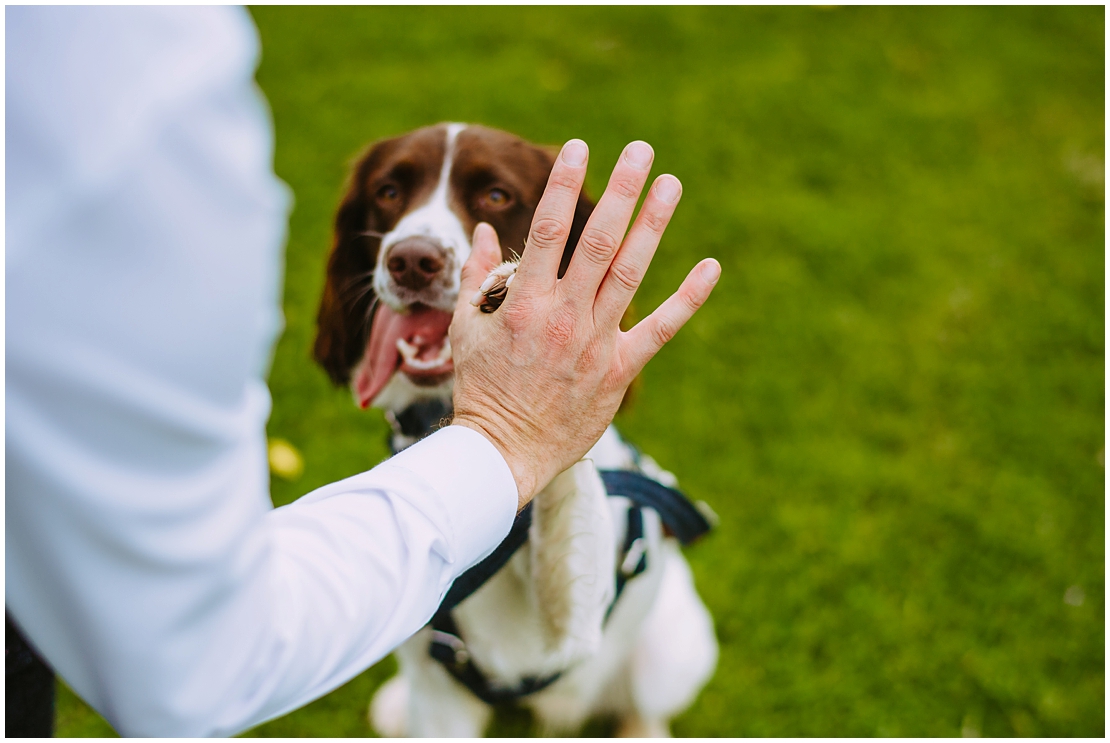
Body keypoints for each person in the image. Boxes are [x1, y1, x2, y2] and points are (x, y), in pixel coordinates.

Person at [6, 6, 721, 737]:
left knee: (670, 662)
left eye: (493, 195)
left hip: (607, 658)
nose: (419, 239)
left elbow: (572, 627)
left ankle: (636, 715)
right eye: (393, 193)